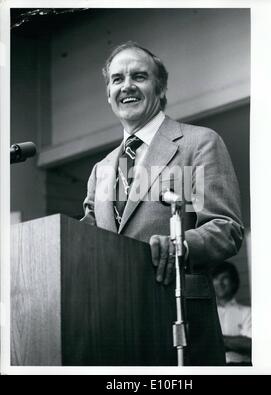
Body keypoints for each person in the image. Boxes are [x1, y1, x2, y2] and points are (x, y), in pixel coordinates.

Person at [81, 41, 244, 365]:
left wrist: (180, 244)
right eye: (117, 79)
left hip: (178, 321)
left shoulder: (198, 143)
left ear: (160, 86)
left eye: (139, 76)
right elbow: (84, 243)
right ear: (108, 93)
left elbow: (226, 229)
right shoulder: (100, 170)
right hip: (111, 330)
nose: (126, 86)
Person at [212, 261, 252, 365]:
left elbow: (251, 344)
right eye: (216, 278)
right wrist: (234, 342)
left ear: (234, 282)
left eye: (224, 278)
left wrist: (216, 340)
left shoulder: (247, 312)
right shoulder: (206, 314)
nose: (219, 283)